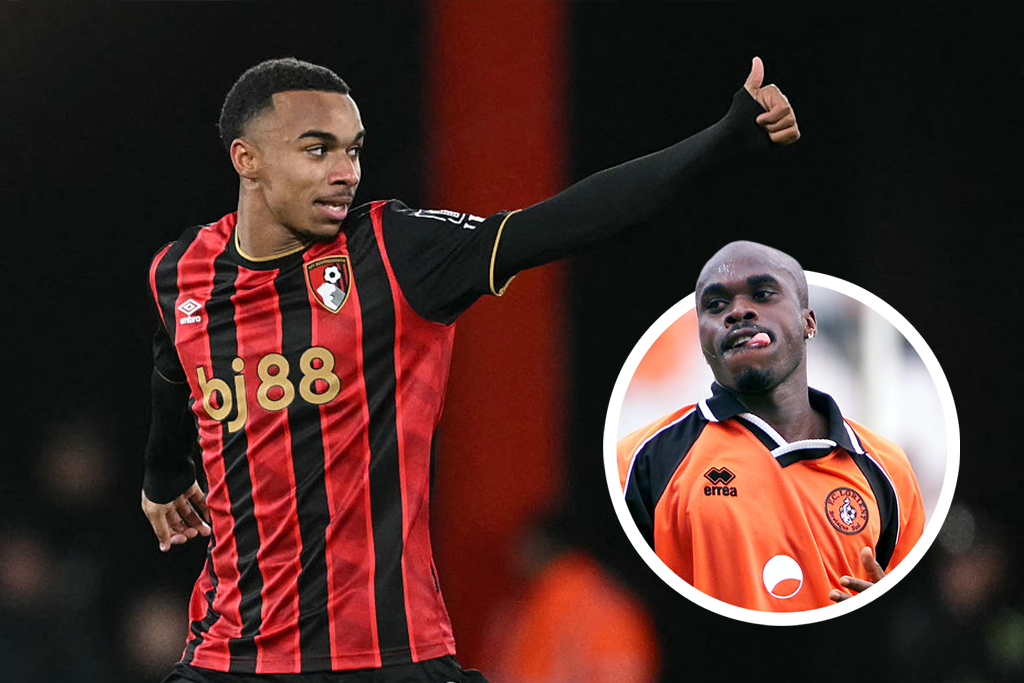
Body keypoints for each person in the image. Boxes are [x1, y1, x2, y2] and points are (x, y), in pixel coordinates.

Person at [141, 56, 798, 682]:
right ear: (246, 159)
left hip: (385, 657)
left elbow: (566, 221)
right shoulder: (182, 272)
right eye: (319, 149)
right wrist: (164, 471)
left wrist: (722, 140)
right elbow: (174, 361)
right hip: (231, 656)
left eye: (354, 149)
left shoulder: (395, 253)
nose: (346, 171)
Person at [619, 241, 926, 612]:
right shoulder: (641, 459)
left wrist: (885, 609)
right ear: (701, 336)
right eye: (716, 305)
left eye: (763, 294)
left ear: (808, 321)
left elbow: (913, 609)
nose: (738, 312)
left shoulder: (888, 467)